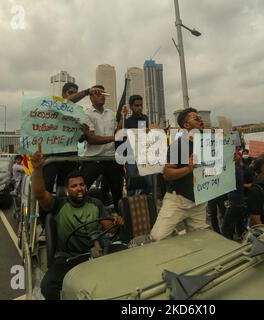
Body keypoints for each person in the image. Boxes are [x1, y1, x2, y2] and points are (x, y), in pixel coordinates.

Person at [30, 144, 124, 300]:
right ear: (67, 190)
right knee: (48, 287)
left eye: (81, 184)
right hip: (68, 259)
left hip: (95, 254)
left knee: (125, 257)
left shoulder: (96, 203)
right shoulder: (58, 205)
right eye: (74, 186)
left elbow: (111, 230)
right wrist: (38, 169)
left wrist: (117, 222)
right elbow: (39, 193)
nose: (79, 188)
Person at [149, 108, 208, 241]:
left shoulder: (207, 144)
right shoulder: (178, 146)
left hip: (199, 203)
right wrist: (189, 168)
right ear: (186, 126)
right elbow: (167, 174)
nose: (201, 120)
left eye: (200, 117)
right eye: (196, 118)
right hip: (178, 201)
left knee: (199, 241)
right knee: (158, 238)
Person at [80, 85, 124, 212]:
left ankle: (120, 220)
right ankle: (82, 216)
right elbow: (92, 139)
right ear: (91, 96)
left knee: (117, 192)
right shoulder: (86, 114)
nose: (101, 96)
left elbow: (117, 131)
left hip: (110, 157)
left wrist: (122, 119)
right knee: (83, 188)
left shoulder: (111, 113)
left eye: (103, 93)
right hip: (93, 158)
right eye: (97, 93)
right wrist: (114, 137)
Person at [118, 95, 152, 196]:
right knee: (131, 182)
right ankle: (130, 203)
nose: (139, 107)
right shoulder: (127, 121)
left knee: (149, 182)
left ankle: (143, 198)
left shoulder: (145, 118)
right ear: (131, 107)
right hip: (131, 155)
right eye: (136, 105)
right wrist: (122, 116)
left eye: (141, 105)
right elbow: (120, 133)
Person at [222, 150, 248, 241]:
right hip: (238, 202)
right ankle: (243, 242)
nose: (237, 155)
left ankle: (229, 247)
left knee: (226, 228)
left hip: (234, 203)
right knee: (240, 227)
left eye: (236, 154)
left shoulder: (235, 169)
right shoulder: (237, 169)